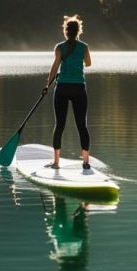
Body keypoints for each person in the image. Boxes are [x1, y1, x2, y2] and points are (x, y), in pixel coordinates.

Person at [43, 15, 92, 170]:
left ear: (65, 31)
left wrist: (47, 85)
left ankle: (56, 162)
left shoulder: (59, 47)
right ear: (78, 31)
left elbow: (54, 67)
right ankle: (85, 162)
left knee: (60, 125)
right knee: (82, 126)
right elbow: (89, 64)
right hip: (78, 89)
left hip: (62, 88)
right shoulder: (84, 47)